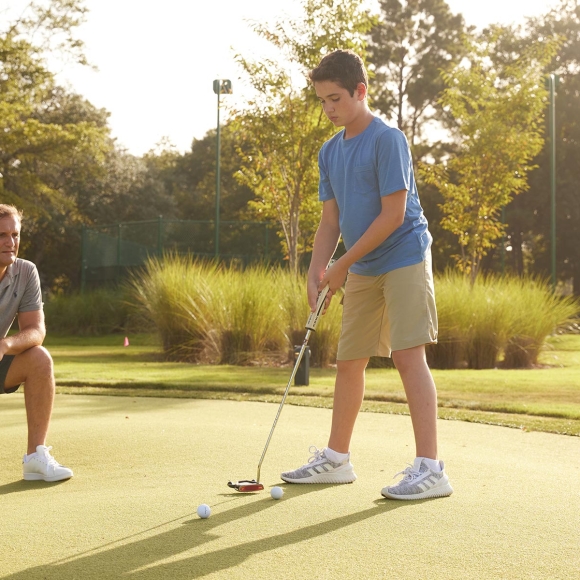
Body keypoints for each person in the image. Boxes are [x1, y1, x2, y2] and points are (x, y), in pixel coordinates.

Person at [280, 50, 452, 500]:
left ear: (361, 91)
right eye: (321, 101)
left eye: (335, 98)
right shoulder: (329, 151)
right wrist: (317, 269)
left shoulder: (387, 139)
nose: (328, 109)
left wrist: (341, 265)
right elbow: (330, 222)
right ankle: (336, 459)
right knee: (349, 360)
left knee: (407, 356)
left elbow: (393, 216)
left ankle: (431, 468)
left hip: (405, 255)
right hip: (361, 263)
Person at [0, 204, 73, 482]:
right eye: (2, 235)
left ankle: (35, 458)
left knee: (39, 358)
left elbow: (35, 330)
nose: (10, 242)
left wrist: (5, 345)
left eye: (15, 235)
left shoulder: (26, 271)